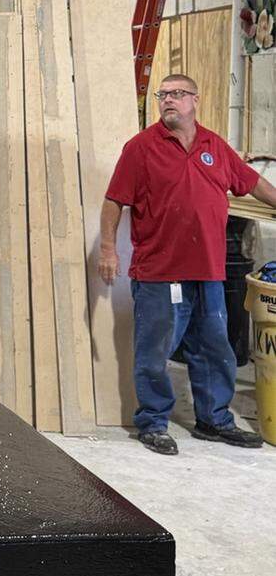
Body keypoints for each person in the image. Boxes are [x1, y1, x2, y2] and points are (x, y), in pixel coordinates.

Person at [99, 73, 276, 455]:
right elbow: (115, 200)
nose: (168, 100)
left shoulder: (214, 144)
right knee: (155, 351)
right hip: (160, 273)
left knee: (214, 349)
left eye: (177, 94)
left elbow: (251, 181)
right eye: (163, 95)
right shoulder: (141, 147)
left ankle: (214, 421)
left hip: (209, 270)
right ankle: (153, 422)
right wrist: (108, 249)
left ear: (196, 99)